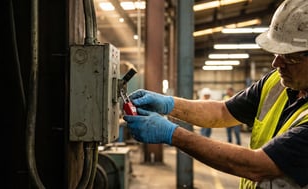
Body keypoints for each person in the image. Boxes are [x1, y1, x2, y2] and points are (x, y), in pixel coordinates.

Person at [123, 0, 308, 188]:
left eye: (290, 56)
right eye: (276, 53)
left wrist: (173, 134)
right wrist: (169, 104)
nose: (276, 64)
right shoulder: (276, 83)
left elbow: (257, 165)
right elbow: (222, 112)